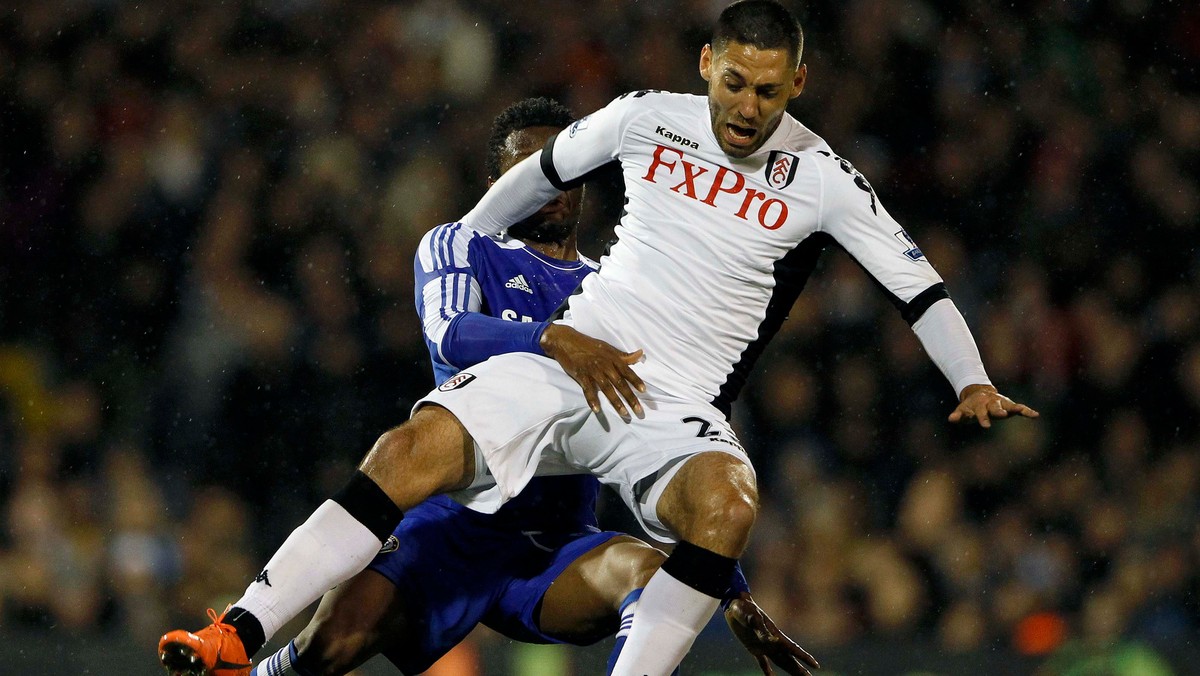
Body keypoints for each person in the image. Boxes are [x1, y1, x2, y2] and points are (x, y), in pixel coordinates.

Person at [160, 2, 1038, 675]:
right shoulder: (642, 119)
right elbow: (529, 186)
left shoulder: (824, 179)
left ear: (797, 84)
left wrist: (971, 378)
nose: (746, 106)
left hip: (667, 406)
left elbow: (916, 285)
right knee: (405, 452)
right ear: (708, 65)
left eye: (768, 91)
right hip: (563, 372)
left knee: (730, 506)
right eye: (734, 83)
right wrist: (477, 239)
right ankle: (238, 635)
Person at [162, 98, 817, 676]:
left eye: (558, 168)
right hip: (447, 530)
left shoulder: (620, 295)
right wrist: (551, 337)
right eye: (524, 172)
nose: (545, 185)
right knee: (328, 650)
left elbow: (661, 434)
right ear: (495, 183)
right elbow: (448, 332)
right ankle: (240, 647)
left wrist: (724, 586)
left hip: (549, 547)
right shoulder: (460, 246)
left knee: (650, 575)